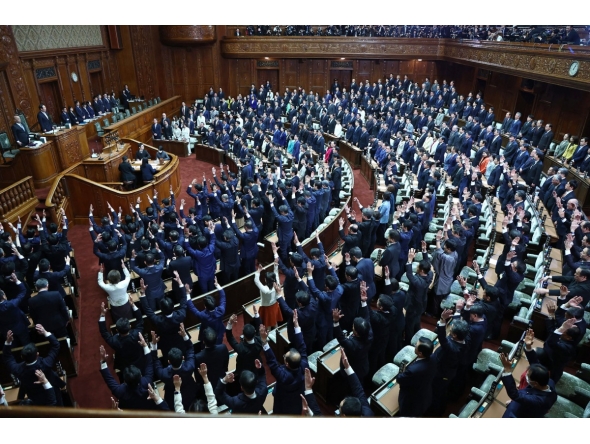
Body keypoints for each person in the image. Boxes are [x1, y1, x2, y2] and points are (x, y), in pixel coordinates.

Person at [2, 325, 66, 406]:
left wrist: (8, 342)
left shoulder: (17, 369)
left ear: (22, 357)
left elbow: (7, 357)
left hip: (34, 397)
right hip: (52, 391)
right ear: (37, 354)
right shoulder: (45, 364)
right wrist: (45, 332)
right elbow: (56, 345)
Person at [99, 336, 168, 411]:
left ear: (124, 381)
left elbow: (108, 378)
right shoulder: (146, 382)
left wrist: (103, 361)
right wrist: (145, 345)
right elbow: (149, 364)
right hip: (149, 410)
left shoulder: (120, 391)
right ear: (141, 375)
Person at [499, 329, 557, 418]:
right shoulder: (549, 382)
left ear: (535, 383)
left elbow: (515, 395)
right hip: (522, 406)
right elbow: (535, 365)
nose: (526, 375)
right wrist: (528, 347)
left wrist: (507, 370)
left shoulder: (538, 400)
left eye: (528, 376)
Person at [260, 310, 308, 415]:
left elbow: (272, 362)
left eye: (284, 357)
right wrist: (296, 325)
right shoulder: (304, 365)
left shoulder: (283, 376)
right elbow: (302, 346)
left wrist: (264, 341)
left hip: (282, 402)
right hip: (296, 400)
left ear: (286, 364)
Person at [151, 323, 197, 412]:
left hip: (172, 396)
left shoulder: (163, 374)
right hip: (190, 392)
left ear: (168, 361)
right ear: (183, 358)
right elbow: (190, 349)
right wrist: (185, 335)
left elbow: (155, 361)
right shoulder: (189, 367)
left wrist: (154, 345)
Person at [98, 300, 145, 376]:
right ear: (130, 327)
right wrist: (133, 305)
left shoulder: (114, 341)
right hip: (140, 361)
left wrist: (103, 314)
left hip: (124, 367)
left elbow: (103, 332)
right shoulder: (137, 334)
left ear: (117, 330)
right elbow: (140, 321)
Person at [396, 336, 437, 417]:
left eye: (416, 345)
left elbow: (399, 379)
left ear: (420, 353)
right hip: (425, 395)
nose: (414, 345)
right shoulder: (433, 357)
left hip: (411, 403)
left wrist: (402, 371)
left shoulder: (413, 370)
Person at [185, 278, 226, 345]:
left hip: (207, 335)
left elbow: (192, 308)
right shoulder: (221, 310)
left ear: (205, 306)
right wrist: (217, 285)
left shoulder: (203, 315)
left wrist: (187, 294)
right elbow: (223, 297)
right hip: (219, 333)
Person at [254, 262, 282, 329]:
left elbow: (256, 281)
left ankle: (268, 338)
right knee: (275, 322)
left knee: (268, 325)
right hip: (275, 305)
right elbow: (276, 275)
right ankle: (277, 335)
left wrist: (258, 271)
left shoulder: (265, 290)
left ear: (266, 280)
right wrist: (275, 266)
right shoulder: (277, 285)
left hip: (267, 308)